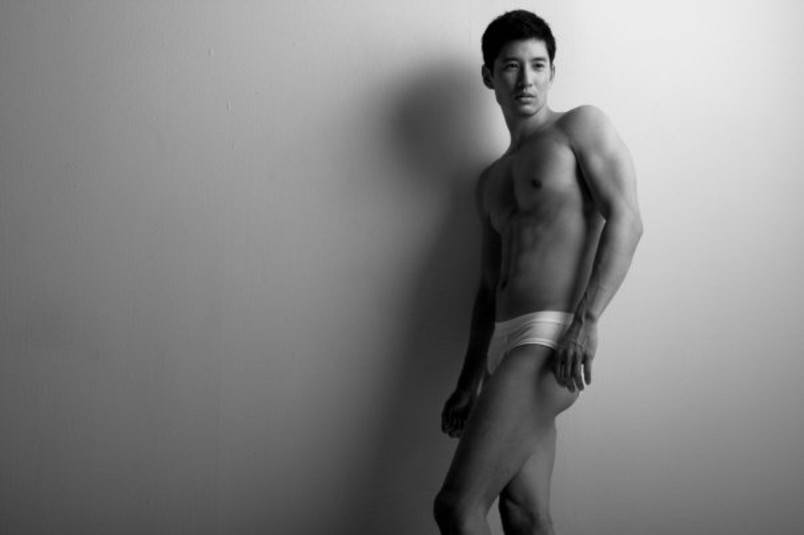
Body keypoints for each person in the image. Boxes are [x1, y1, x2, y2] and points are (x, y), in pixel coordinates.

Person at [433, 10, 643, 535]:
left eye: (538, 65)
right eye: (511, 66)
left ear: (553, 71)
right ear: (490, 76)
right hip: (503, 345)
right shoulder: (489, 180)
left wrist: (586, 322)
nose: (525, 79)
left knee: (456, 507)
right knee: (524, 515)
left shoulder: (578, 127)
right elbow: (488, 287)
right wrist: (469, 380)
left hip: (550, 338)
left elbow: (627, 220)